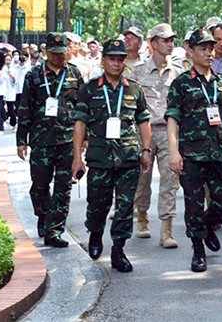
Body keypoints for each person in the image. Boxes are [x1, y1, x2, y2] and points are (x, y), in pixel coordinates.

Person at [166, 28, 222, 272]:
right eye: (204, 48)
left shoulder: (220, 81)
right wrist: (173, 151)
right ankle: (198, 249)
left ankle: (209, 225)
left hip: (219, 152)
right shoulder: (181, 83)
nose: (209, 53)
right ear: (191, 51)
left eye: (211, 48)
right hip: (191, 154)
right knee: (193, 204)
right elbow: (172, 118)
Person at [72, 38, 152, 273]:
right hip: (99, 158)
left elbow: (143, 120)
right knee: (97, 204)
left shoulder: (134, 89)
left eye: (120, 59)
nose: (116, 64)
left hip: (128, 158)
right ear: (104, 60)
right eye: (112, 59)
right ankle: (95, 235)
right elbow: (80, 124)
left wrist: (146, 151)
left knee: (126, 207)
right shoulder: (89, 89)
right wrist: (77, 157)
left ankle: (118, 250)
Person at [17, 33, 84, 247]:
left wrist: (85, 138)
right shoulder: (34, 75)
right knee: (39, 185)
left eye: (62, 53)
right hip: (41, 140)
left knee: (64, 187)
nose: (59, 57)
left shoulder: (74, 73)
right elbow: (25, 107)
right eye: (54, 53)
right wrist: (21, 140)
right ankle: (43, 216)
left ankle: (54, 230)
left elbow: (83, 109)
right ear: (46, 52)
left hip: (67, 140)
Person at [129, 23, 184, 246]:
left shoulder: (179, 73)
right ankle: (142, 216)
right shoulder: (138, 72)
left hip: (170, 131)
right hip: (145, 131)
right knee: (142, 178)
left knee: (170, 180)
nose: (170, 44)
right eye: (165, 40)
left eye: (172, 40)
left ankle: (166, 227)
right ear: (153, 43)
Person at [3, 53, 18, 130]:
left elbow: (16, 82)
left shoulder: (14, 70)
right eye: (6, 60)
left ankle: (14, 123)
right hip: (2, 91)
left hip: (11, 92)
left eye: (9, 60)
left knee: (11, 110)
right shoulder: (2, 69)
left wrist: (13, 77)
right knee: (1, 108)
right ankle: (4, 120)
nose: (7, 61)